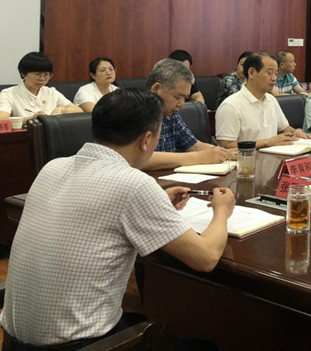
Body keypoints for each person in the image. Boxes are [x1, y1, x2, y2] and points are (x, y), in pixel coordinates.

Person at [0, 88, 235, 347]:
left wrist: (155, 201)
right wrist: (222, 211)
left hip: (13, 343)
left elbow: (97, 204)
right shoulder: (134, 184)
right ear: (146, 139)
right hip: (82, 346)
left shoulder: (52, 167)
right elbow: (206, 257)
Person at [145, 58, 234, 169]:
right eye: (177, 97)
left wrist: (224, 153)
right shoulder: (134, 112)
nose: (181, 104)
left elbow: (194, 145)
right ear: (157, 89)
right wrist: (200, 157)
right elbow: (142, 159)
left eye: (185, 98)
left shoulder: (171, 114)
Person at [216, 52, 311, 149]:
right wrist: (267, 142)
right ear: (252, 73)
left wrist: (295, 133)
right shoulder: (231, 106)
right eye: (269, 73)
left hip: (274, 156)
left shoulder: (271, 100)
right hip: (247, 158)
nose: (274, 78)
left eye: (276, 73)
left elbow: (284, 128)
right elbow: (226, 145)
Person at [0, 52, 82, 123]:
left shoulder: (51, 92)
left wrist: (61, 110)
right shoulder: (8, 93)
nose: (42, 79)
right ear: (23, 74)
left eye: (46, 75)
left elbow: (79, 111)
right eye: (37, 74)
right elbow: (2, 119)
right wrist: (31, 119)